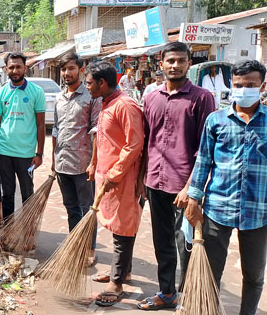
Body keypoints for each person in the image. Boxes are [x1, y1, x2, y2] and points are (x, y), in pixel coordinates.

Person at [138, 42, 216, 311]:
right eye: (170, 60)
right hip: (154, 181)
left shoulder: (202, 98)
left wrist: (191, 187)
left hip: (185, 184)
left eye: (181, 60)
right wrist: (141, 180)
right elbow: (147, 141)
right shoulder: (150, 98)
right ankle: (167, 293)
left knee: (187, 242)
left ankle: (191, 295)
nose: (175, 65)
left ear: (188, 64)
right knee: (162, 241)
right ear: (161, 64)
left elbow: (205, 147)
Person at [186, 60, 267, 315]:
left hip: (259, 213)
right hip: (217, 209)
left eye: (251, 85)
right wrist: (193, 198)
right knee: (211, 273)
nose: (244, 89)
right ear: (232, 84)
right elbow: (203, 162)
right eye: (239, 85)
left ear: (262, 85)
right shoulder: (216, 120)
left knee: (254, 276)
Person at [85, 61, 144, 308]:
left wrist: (116, 173)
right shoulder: (105, 103)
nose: (87, 86)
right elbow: (102, 136)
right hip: (108, 177)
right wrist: (94, 163)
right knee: (115, 226)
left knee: (123, 228)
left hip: (123, 179)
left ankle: (117, 283)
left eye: (89, 82)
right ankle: (123, 272)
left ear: (102, 83)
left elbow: (134, 144)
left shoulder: (125, 105)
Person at [52, 53, 102, 268]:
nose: (66, 73)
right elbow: (55, 129)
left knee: (88, 208)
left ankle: (90, 249)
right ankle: (75, 244)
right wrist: (53, 160)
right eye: (64, 69)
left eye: (71, 68)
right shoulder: (59, 97)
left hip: (84, 163)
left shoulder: (91, 96)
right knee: (71, 208)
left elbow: (97, 131)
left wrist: (94, 162)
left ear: (81, 69)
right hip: (62, 162)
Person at [0, 52, 45, 221]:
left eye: (18, 67)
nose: (15, 70)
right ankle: (8, 230)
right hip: (5, 152)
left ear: (25, 68)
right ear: (6, 69)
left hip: (26, 154)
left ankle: (28, 232)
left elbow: (41, 125)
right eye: (11, 67)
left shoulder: (36, 92)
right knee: (7, 194)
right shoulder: (1, 93)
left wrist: (39, 154)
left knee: (28, 194)